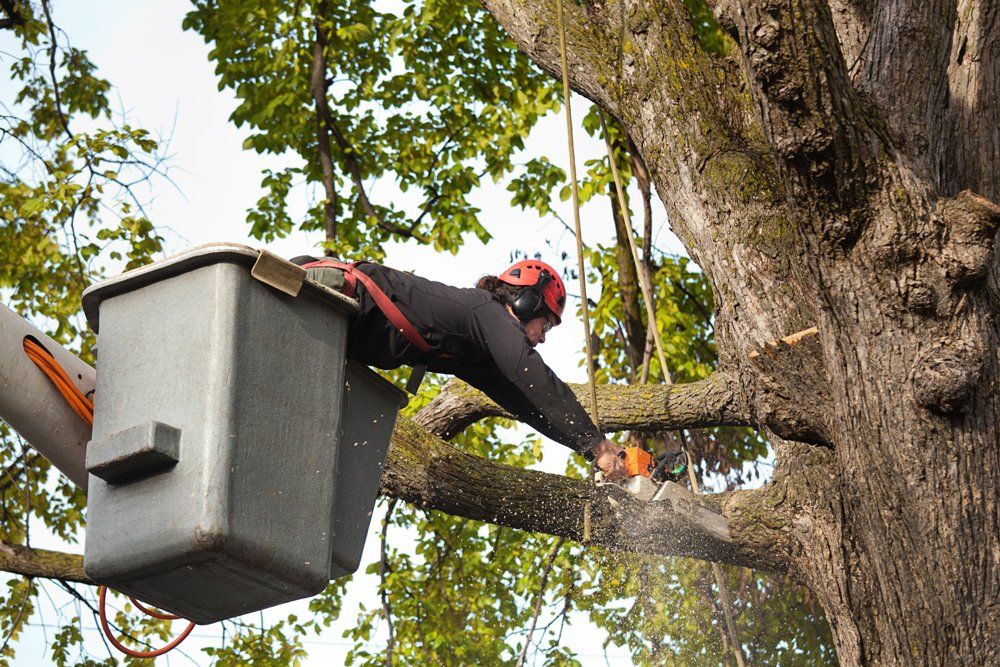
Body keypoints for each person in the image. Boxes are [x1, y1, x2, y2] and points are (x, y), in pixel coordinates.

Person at [289, 254, 629, 481]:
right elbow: (531, 373)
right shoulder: (487, 311)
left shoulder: (478, 353)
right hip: (326, 293)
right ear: (527, 301)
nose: (542, 337)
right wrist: (598, 443)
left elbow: (530, 404)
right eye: (547, 324)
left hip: (337, 330)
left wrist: (589, 449)